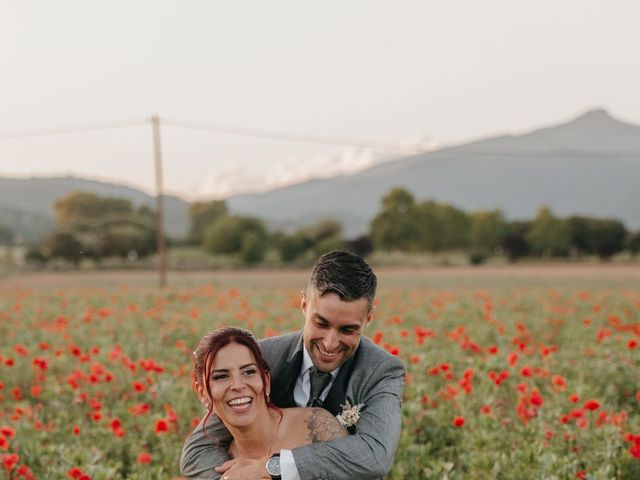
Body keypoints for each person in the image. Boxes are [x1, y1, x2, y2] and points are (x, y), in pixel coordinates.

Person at [181, 250, 406, 480]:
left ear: (369, 317)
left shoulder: (382, 370)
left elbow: (374, 455)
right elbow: (198, 450)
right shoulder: (261, 359)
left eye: (347, 329)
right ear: (304, 304)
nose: (330, 343)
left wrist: (271, 468)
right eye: (321, 323)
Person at [193, 327, 349, 480]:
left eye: (249, 372)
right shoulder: (220, 463)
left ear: (266, 382)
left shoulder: (315, 426)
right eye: (221, 376)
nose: (238, 385)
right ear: (202, 394)